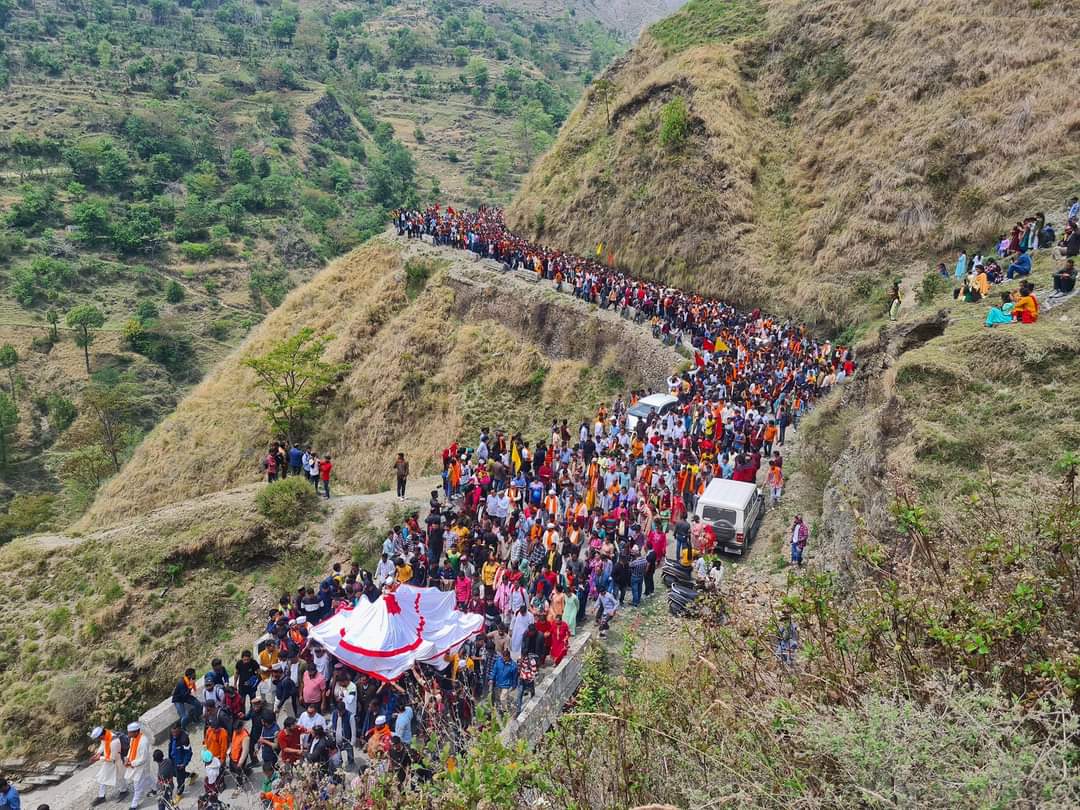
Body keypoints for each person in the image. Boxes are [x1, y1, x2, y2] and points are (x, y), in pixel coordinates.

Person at [89, 725, 125, 805]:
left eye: (99, 738)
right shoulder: (106, 735)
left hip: (116, 760)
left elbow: (112, 758)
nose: (99, 740)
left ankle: (124, 791)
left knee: (119, 777)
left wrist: (99, 758)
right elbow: (103, 744)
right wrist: (98, 753)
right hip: (108, 760)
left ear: (101, 735)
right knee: (103, 777)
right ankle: (102, 796)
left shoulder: (114, 741)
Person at [123, 721, 154, 810]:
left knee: (137, 786)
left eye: (130, 732)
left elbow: (143, 759)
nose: (128, 734)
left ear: (136, 732)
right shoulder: (133, 738)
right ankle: (155, 788)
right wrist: (128, 758)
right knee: (147, 777)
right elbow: (130, 749)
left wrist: (131, 763)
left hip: (141, 765)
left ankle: (134, 805)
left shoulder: (143, 742)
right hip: (135, 763)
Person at [489, 648, 518, 715]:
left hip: (506, 684)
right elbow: (494, 670)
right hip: (498, 683)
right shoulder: (499, 661)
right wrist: (491, 678)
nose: (504, 659)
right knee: (498, 697)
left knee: (502, 698)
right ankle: (500, 708)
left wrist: (514, 685)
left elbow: (515, 677)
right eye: (503, 658)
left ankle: (505, 711)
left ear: (508, 657)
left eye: (505, 658)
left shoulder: (513, 666)